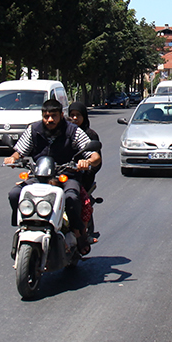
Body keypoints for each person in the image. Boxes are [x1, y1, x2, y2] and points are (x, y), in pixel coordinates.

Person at [5, 98, 101, 252]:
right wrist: (13, 158)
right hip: (39, 175)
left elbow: (95, 156)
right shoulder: (34, 130)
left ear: (61, 115)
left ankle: (77, 233)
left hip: (66, 175)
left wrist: (88, 162)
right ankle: (23, 226)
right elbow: (20, 151)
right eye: (46, 116)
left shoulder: (73, 131)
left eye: (54, 116)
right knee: (15, 194)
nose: (50, 120)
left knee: (72, 197)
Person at [67, 100, 102, 252]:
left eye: (78, 115)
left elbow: (96, 161)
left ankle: (82, 233)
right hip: (62, 175)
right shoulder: (64, 133)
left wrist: (85, 168)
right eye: (72, 115)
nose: (74, 118)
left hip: (82, 177)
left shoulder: (90, 134)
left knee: (81, 200)